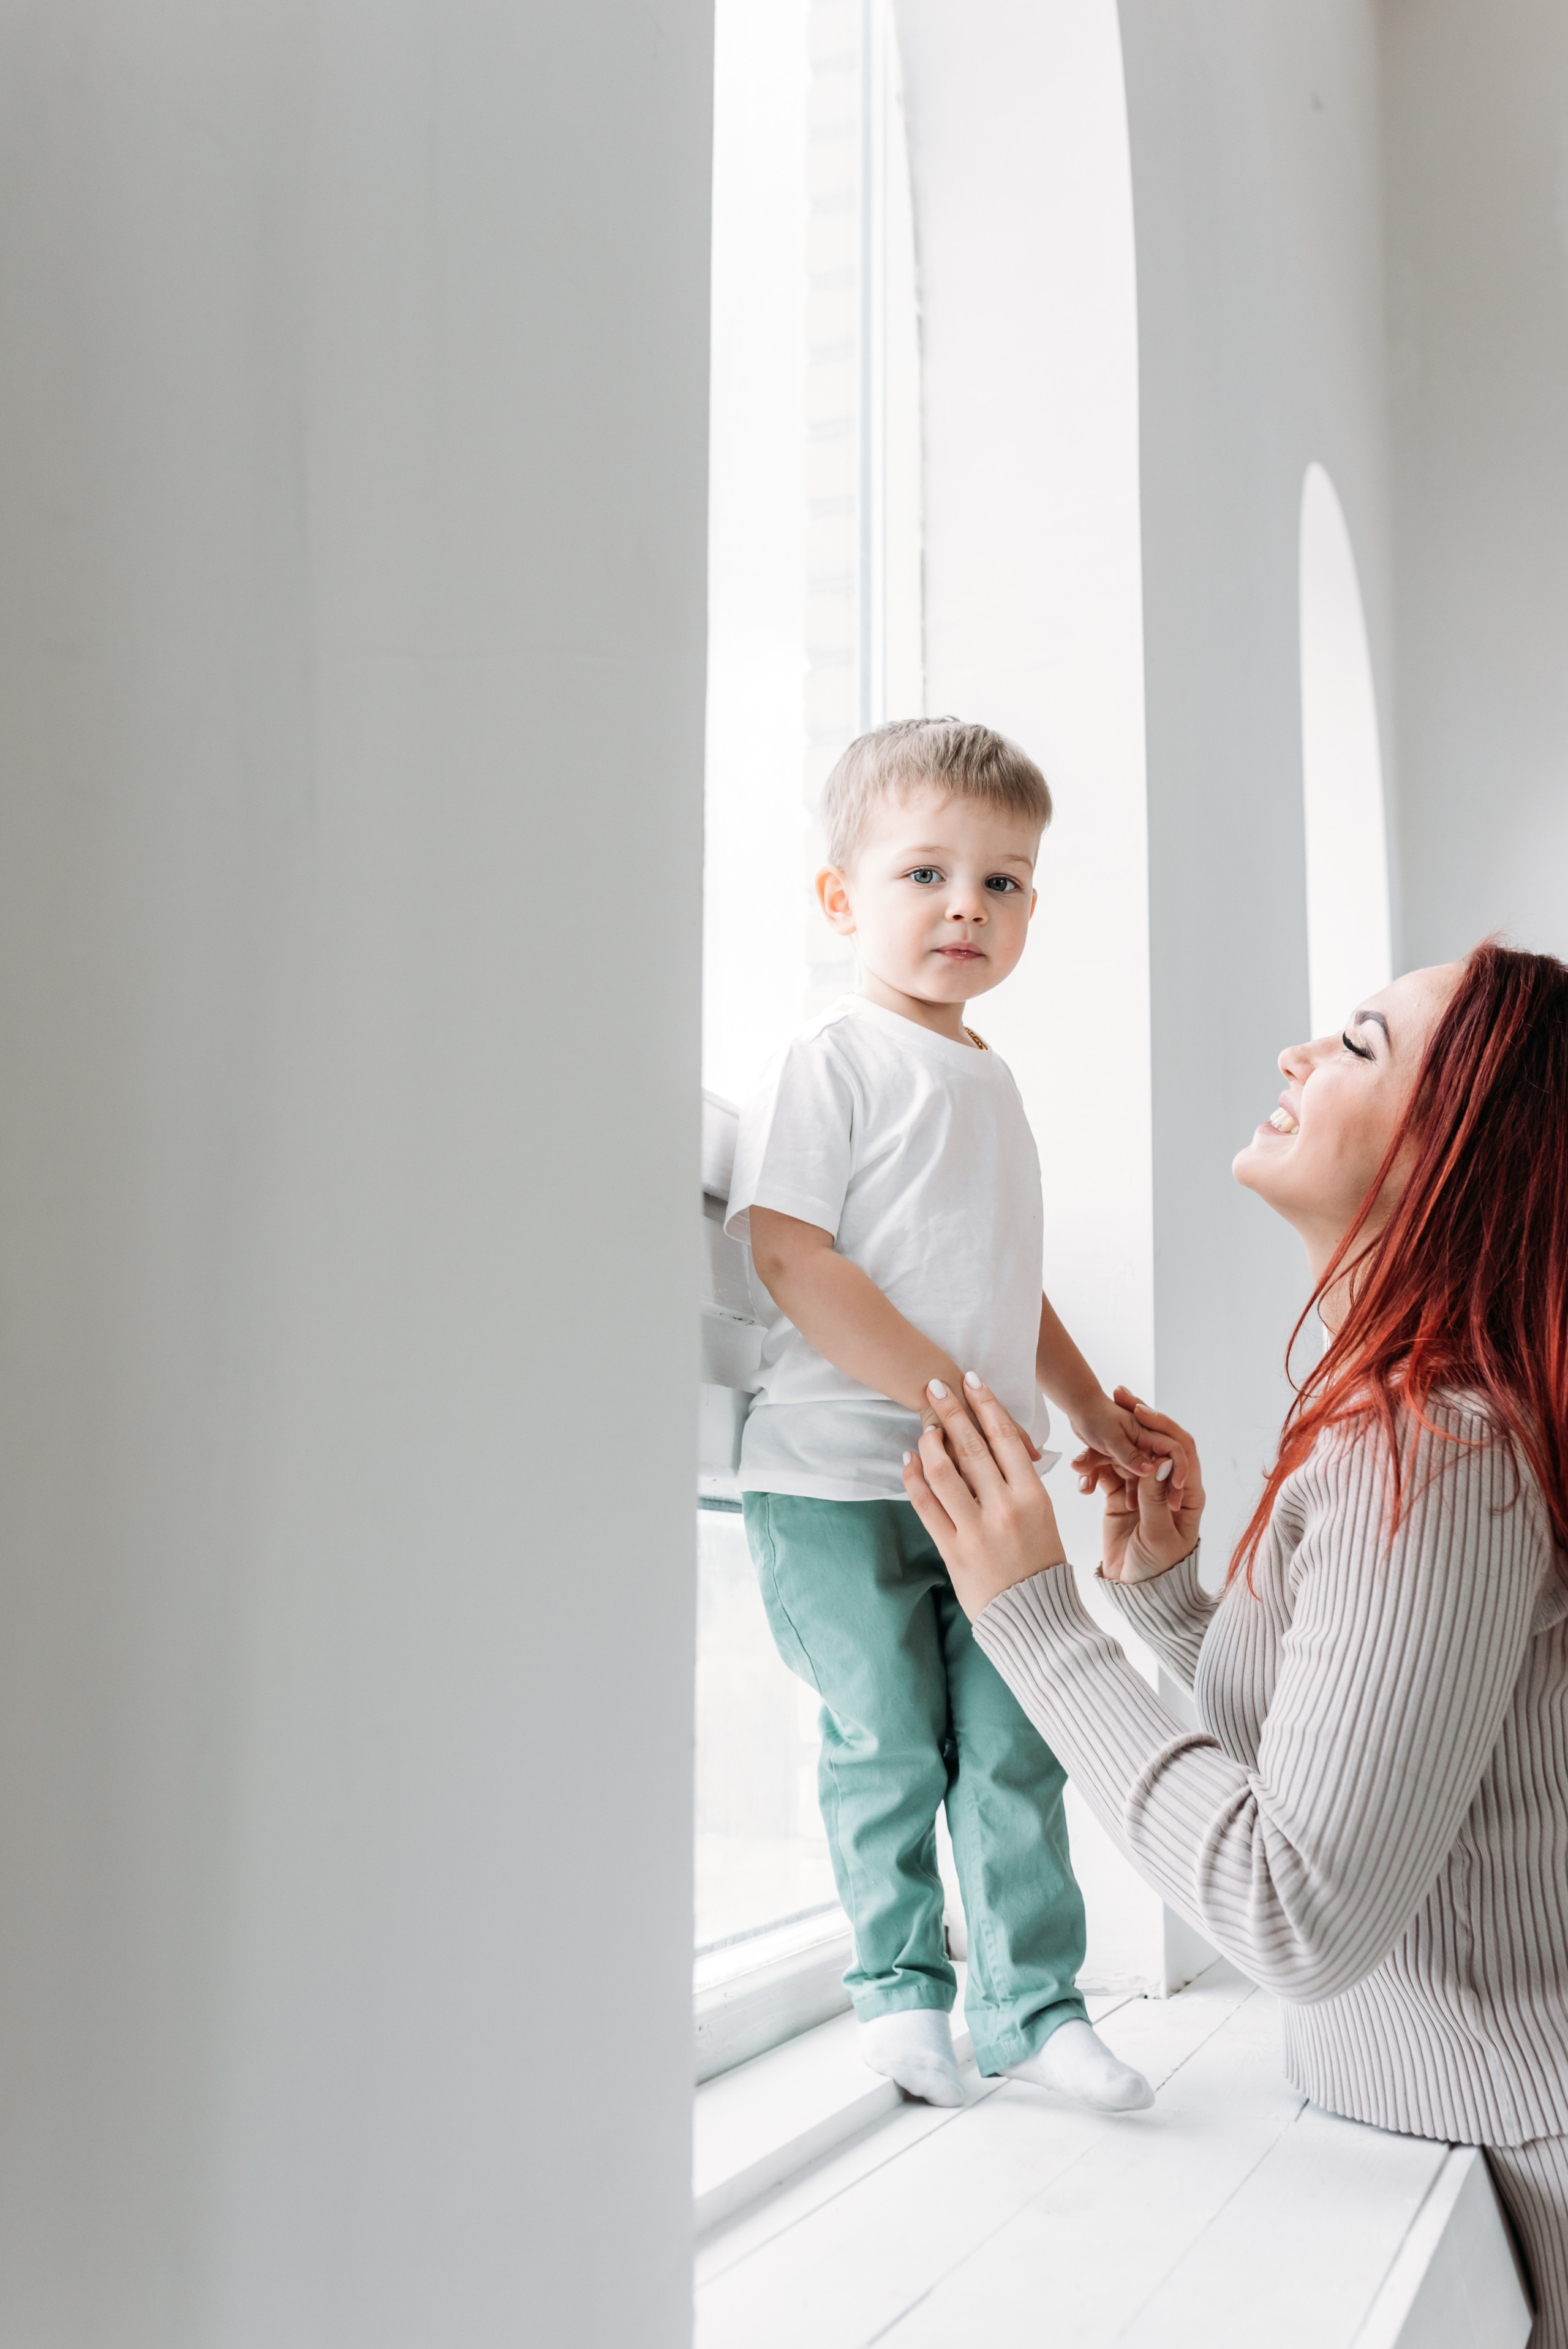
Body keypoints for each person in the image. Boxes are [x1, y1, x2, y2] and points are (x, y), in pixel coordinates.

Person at [900, 942, 1568, 2344]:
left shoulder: (1435, 1446)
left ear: (1454, 1154)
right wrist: (1161, 1606)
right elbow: (1385, 1777)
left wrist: (1036, 1619)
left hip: (1521, 2180)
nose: (1296, 1056)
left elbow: (1298, 1909)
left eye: (1361, 1046)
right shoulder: (1412, 1421)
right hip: (1446, 2145)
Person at [725, 717, 1175, 2113]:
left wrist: (1086, 1411)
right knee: (884, 1738)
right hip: (836, 1484)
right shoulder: (837, 1057)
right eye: (924, 874)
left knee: (1014, 1742)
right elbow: (790, 1253)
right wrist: (948, 1402)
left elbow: (1008, 1285)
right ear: (840, 898)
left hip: (982, 1498)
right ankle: (898, 1993)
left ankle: (1033, 2008)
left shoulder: (988, 1080)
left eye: (1003, 882)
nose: (964, 909)